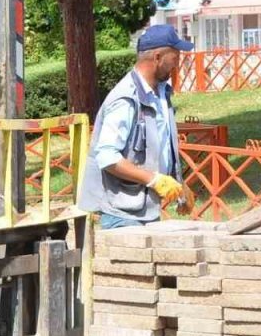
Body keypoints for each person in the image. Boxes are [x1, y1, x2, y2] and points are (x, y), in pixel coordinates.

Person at [80, 24, 194, 229]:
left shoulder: (160, 93)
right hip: (121, 213)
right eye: (174, 59)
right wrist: (154, 180)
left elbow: (161, 144)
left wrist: (177, 183)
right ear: (157, 57)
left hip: (145, 209)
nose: (176, 65)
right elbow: (106, 157)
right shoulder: (125, 98)